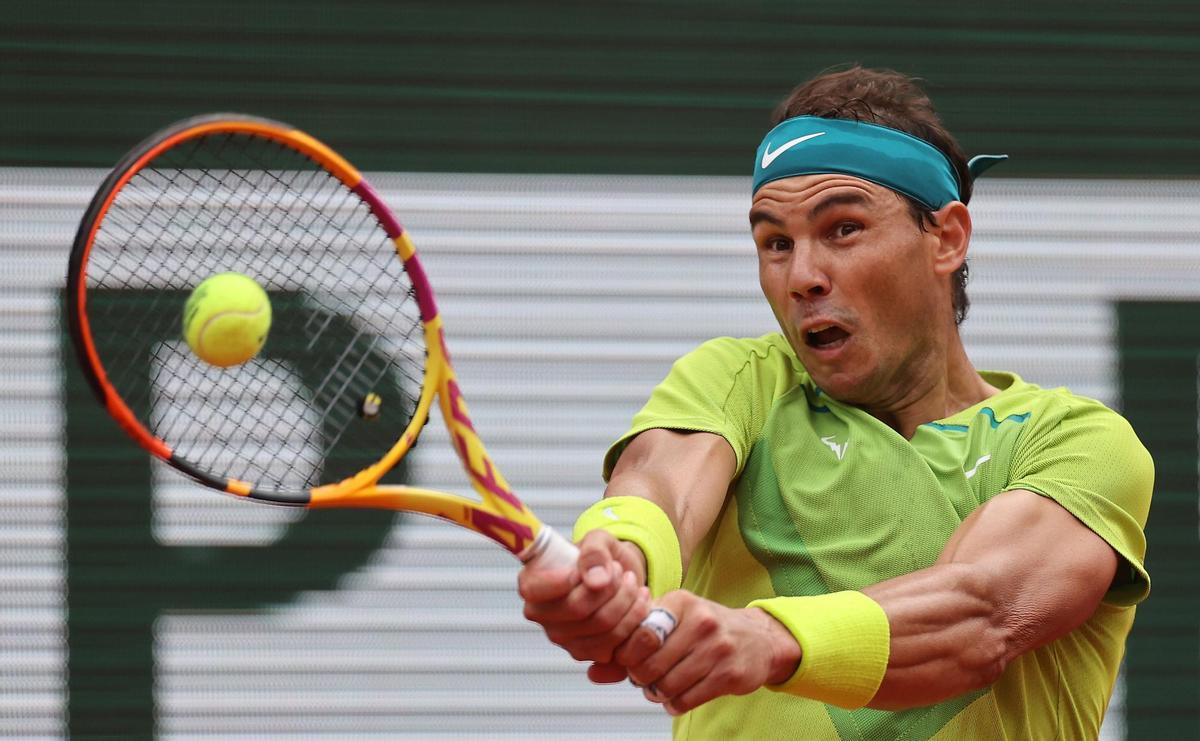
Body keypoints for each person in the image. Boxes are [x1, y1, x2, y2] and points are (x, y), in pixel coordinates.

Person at [518, 65, 1153, 740]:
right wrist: (616, 557)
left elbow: (981, 614)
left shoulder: (1076, 442)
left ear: (946, 237)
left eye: (843, 229)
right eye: (775, 243)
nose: (802, 277)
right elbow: (659, 489)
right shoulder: (741, 382)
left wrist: (768, 638)